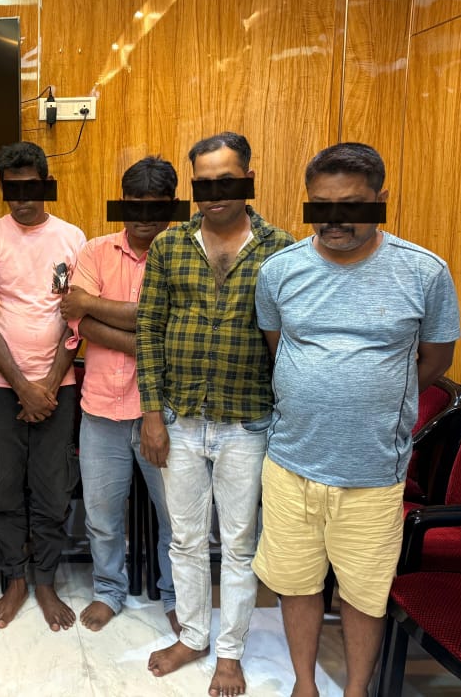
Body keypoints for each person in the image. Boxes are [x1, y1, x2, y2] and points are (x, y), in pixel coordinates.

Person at [252, 143, 460, 697]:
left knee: (363, 593)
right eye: (320, 205)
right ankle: (304, 685)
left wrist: (371, 399)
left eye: (350, 204)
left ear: (381, 198)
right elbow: (279, 347)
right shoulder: (280, 271)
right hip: (291, 462)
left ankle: (355, 690)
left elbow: (435, 360)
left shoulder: (424, 272)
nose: (334, 219)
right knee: (296, 584)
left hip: (373, 471)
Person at [137, 132, 293, 696]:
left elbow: (291, 340)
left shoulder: (281, 248)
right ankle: (193, 636)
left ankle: (230, 653)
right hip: (179, 419)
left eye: (225, 180)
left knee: (239, 544)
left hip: (247, 422)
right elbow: (149, 330)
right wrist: (151, 415)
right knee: (184, 540)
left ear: (248, 178)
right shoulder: (170, 245)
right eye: (203, 183)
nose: (214, 193)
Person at [59, 156, 179, 633]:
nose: (144, 217)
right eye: (135, 205)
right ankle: (109, 590)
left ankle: (175, 595)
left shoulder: (185, 253)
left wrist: (95, 305)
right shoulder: (94, 251)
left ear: (171, 206)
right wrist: (149, 333)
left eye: (155, 206)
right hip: (102, 411)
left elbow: (174, 327)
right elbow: (77, 320)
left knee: (176, 519)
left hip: (165, 414)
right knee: (103, 517)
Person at [0, 141, 87, 632]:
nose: (21, 199)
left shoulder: (72, 238)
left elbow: (77, 316)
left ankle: (45, 579)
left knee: (53, 486)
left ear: (45, 185)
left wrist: (50, 384)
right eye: (12, 189)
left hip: (58, 385)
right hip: (0, 386)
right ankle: (16, 578)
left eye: (30, 187)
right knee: (2, 483)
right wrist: (23, 387)